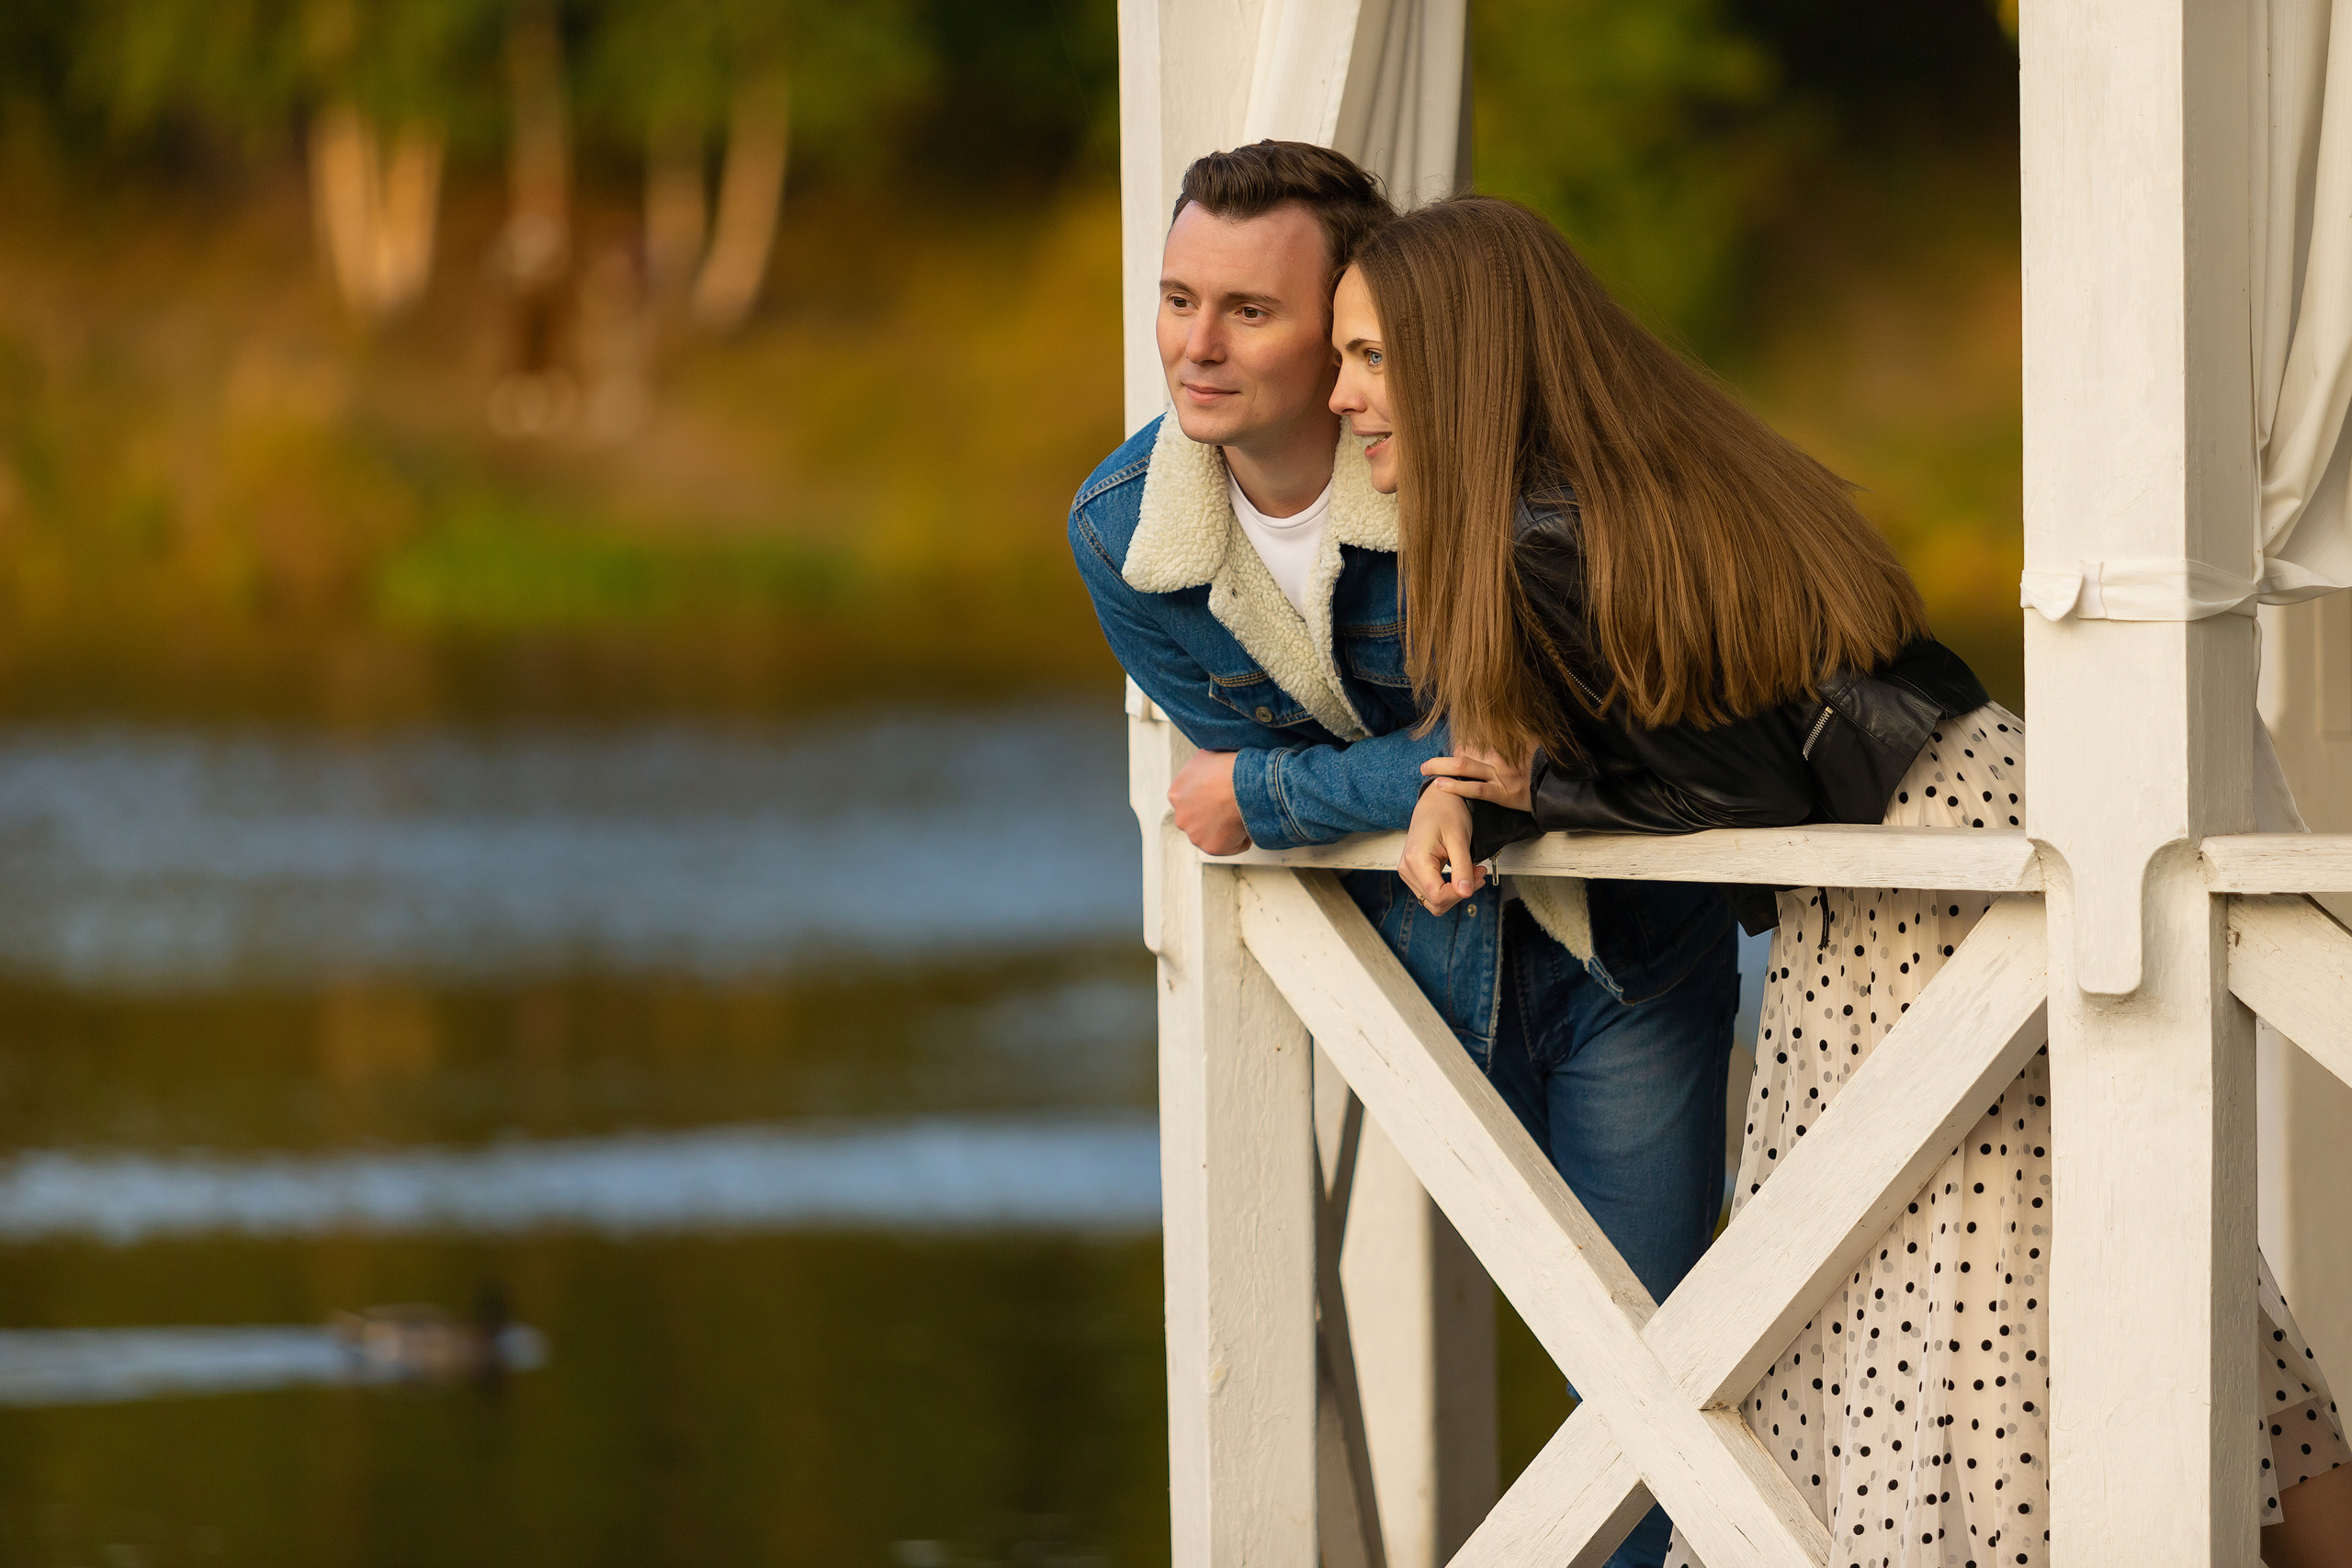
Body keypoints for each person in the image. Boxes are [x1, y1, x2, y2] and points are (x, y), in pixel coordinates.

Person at [1336, 191, 2352, 1568]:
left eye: (1374, 359)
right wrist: (1517, 780)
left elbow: (1737, 789)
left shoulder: (1542, 538)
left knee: (1938, 1296)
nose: (1345, 398)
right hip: (1975, 812)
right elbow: (1745, 728)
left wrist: (1529, 791)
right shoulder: (1666, 469)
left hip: (1911, 891)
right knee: (2092, 1257)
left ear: (1463, 360)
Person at [1069, 145, 1736, 1568]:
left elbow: (1505, 734)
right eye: (1178, 298)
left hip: (1624, 960)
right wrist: (1371, 778)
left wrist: (1297, 786)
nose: (1195, 345)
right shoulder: (1123, 531)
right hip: (1413, 979)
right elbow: (1261, 778)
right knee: (1580, 1377)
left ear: (1352, 325)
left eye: (1249, 311)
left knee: (1666, 1384)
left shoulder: (1479, 474)